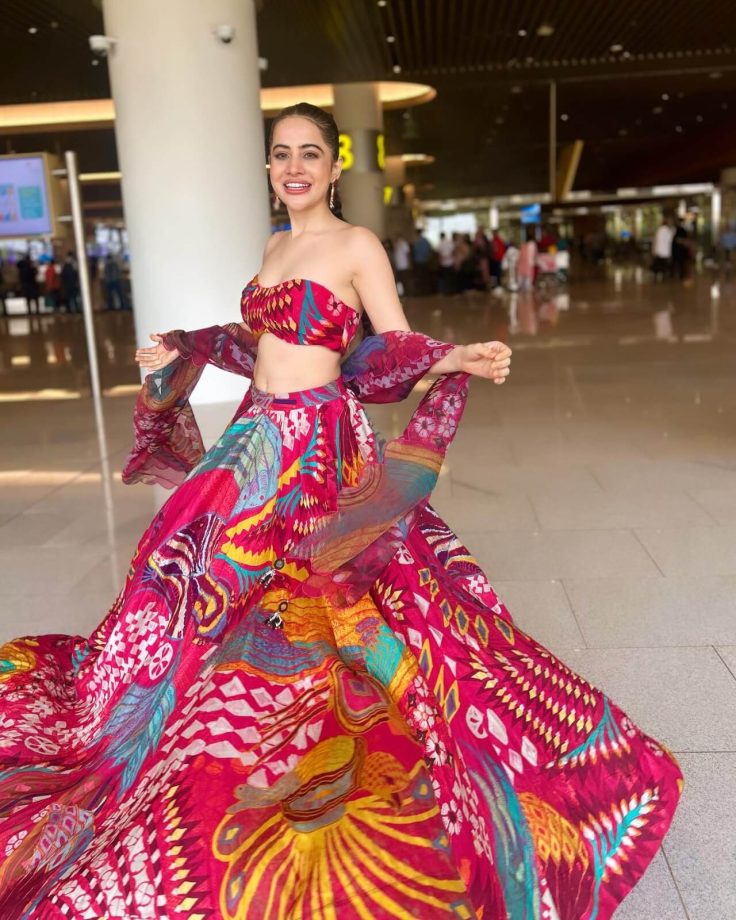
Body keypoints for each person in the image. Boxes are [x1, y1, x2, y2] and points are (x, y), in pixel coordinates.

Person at [0, 102, 680, 919]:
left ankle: (330, 731)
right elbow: (261, 347)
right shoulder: (276, 245)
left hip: (322, 444)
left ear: (333, 164)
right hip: (256, 438)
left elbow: (380, 347)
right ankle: (171, 719)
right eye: (282, 153)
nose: (295, 166)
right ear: (270, 165)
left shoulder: (356, 246)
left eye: (310, 153)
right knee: (185, 578)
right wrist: (183, 346)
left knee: (356, 595)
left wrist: (450, 354)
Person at [392, 232, 411, 296]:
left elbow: (408, 254)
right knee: (399, 280)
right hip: (398, 265)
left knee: (405, 279)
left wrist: (408, 263)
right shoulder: (396, 244)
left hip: (404, 265)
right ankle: (401, 293)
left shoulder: (404, 243)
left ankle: (407, 293)